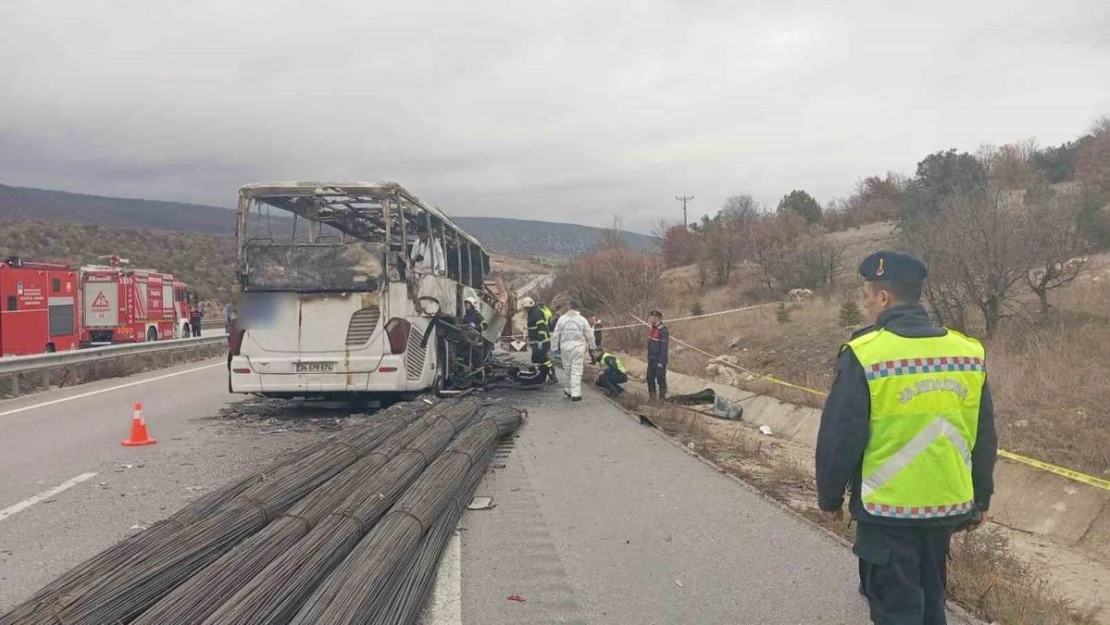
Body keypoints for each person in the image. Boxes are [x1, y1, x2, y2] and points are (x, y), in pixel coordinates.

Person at [815, 251, 997, 625]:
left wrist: (829, 497)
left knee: (897, 611)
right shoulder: (967, 352)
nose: (865, 303)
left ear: (883, 298)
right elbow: (984, 433)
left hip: (888, 512)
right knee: (932, 604)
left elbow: (841, 435)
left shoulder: (866, 354)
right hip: (946, 507)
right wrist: (981, 497)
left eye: (867, 294)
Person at [550, 300, 595, 401]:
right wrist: (592, 346)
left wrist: (554, 348)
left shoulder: (562, 319)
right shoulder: (582, 320)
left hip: (565, 347)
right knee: (576, 370)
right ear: (578, 308)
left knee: (567, 369)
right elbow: (590, 335)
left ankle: (568, 389)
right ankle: (576, 393)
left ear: (569, 308)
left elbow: (556, 334)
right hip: (578, 348)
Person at [520, 296, 558, 384]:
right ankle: (539, 375)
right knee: (535, 358)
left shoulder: (536, 313)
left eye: (526, 308)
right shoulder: (532, 313)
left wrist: (540, 341)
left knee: (543, 358)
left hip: (541, 341)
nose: (525, 310)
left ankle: (552, 375)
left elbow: (541, 327)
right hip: (537, 341)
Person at [646, 310, 669, 400]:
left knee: (660, 379)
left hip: (659, 360)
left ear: (657, 318)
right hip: (651, 359)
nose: (650, 318)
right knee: (649, 378)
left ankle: (662, 398)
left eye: (652, 317)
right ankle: (652, 398)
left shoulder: (663, 330)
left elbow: (664, 348)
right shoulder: (652, 329)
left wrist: (661, 361)